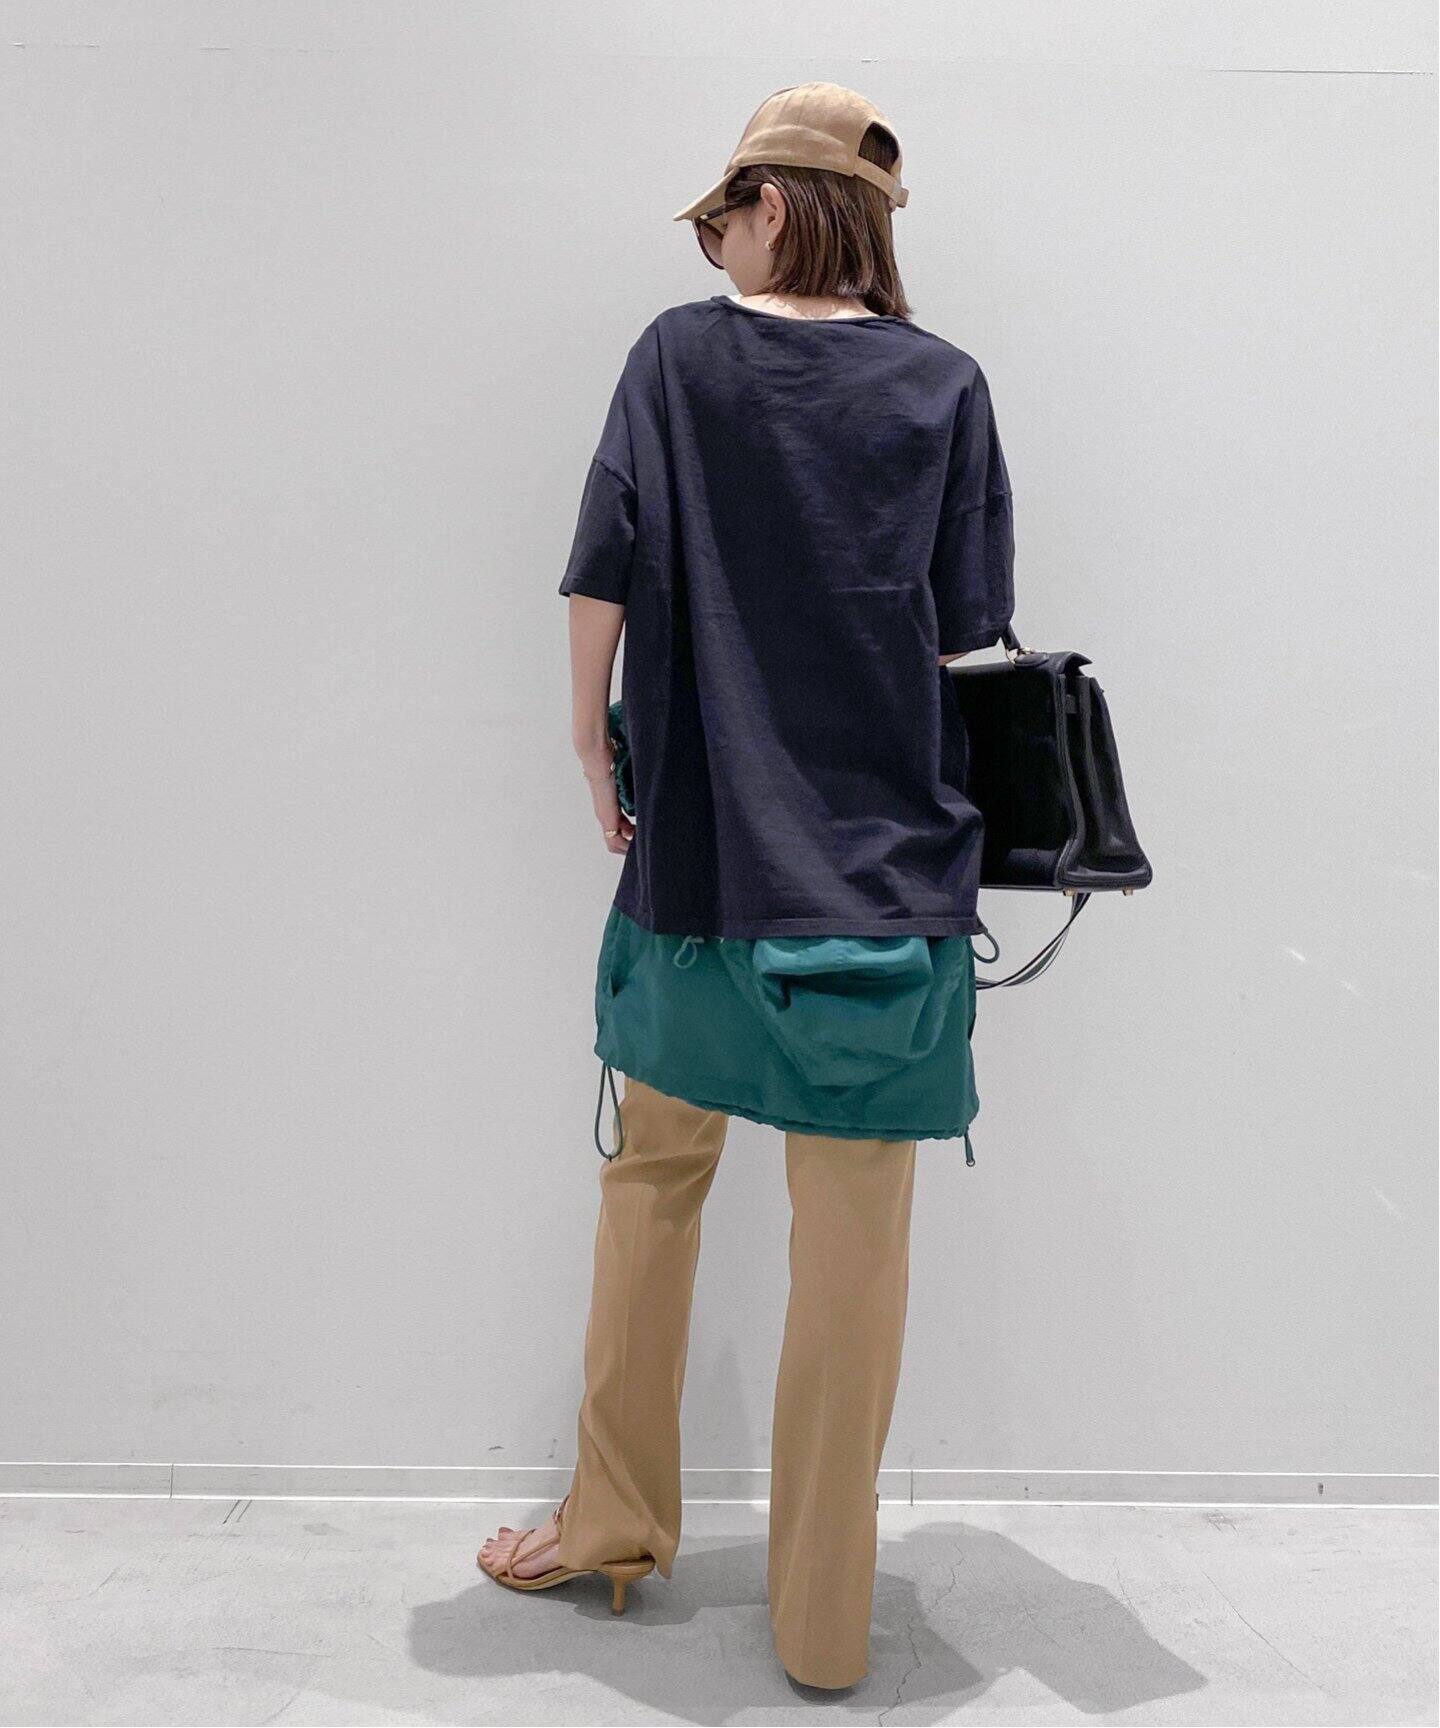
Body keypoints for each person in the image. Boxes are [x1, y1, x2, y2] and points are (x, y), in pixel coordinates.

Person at [478, 81, 1016, 1690]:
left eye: (720, 217)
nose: (711, 244)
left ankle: (612, 1525)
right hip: (883, 891)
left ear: (772, 205)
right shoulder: (945, 384)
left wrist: (593, 749)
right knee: (854, 1258)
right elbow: (964, 637)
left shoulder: (677, 360)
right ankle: (826, 1626)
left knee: (652, 1194)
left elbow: (603, 571)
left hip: (701, 872)